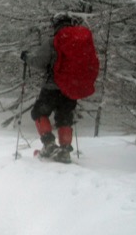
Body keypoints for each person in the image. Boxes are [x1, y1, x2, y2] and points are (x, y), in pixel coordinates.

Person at [21, 12, 99, 163]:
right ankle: (64, 150)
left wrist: (26, 57)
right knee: (65, 118)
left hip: (52, 87)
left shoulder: (54, 41)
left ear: (56, 25)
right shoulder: (79, 44)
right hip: (71, 88)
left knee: (39, 112)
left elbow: (39, 61)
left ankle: (49, 145)